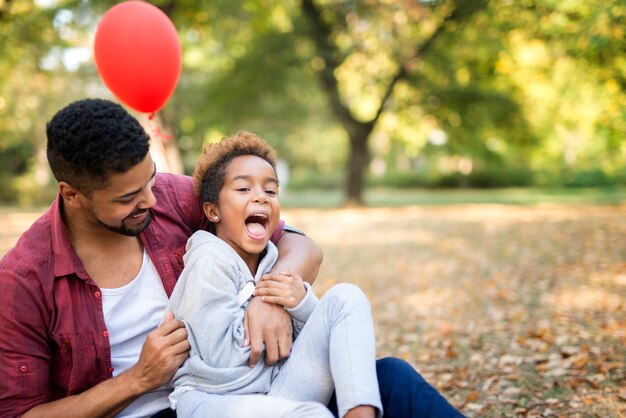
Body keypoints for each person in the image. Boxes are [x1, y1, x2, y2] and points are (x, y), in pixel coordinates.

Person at [0, 98, 464, 418]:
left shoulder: (173, 196)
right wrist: (137, 380)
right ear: (72, 194)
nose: (150, 199)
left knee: (392, 380)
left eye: (150, 180)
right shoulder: (24, 280)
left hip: (260, 386)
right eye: (128, 197)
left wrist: (269, 296)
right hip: (177, 406)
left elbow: (301, 244)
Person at [167, 131, 382, 418]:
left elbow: (316, 339)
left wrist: (300, 304)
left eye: (270, 191)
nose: (261, 198)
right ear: (213, 211)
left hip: (274, 388)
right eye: (243, 189)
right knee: (312, 416)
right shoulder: (208, 259)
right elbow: (219, 360)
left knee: (347, 297)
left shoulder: (273, 259)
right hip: (212, 399)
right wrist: (267, 328)